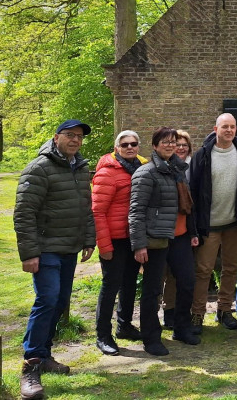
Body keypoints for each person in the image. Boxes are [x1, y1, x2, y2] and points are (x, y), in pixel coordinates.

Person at [14, 120, 95, 400]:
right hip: (45, 248)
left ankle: (45, 356)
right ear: (56, 137)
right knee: (47, 299)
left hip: (69, 248)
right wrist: (29, 253)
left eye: (79, 137)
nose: (75, 140)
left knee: (59, 302)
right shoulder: (39, 168)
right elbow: (24, 213)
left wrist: (88, 238)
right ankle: (31, 365)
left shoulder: (80, 168)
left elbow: (86, 208)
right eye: (70, 135)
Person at [128, 127, 199, 356]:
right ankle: (151, 337)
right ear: (155, 145)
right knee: (153, 290)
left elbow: (186, 205)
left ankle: (182, 328)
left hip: (180, 237)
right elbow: (136, 211)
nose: (171, 145)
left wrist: (193, 231)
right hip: (155, 239)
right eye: (166, 142)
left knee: (187, 282)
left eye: (174, 142)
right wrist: (139, 244)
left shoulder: (178, 170)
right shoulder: (146, 173)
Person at [189, 113, 237, 332]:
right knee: (203, 270)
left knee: (231, 268)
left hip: (235, 223)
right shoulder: (203, 155)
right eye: (224, 126)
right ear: (215, 129)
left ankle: (224, 310)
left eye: (232, 127)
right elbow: (194, 191)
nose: (229, 130)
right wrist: (196, 224)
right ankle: (197, 314)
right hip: (209, 224)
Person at [92, 130, 146, 355]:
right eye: (125, 145)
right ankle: (103, 335)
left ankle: (124, 325)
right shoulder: (107, 172)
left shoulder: (141, 168)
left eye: (134, 144)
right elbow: (97, 211)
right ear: (117, 148)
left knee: (129, 283)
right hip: (113, 239)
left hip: (132, 237)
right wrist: (104, 246)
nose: (130, 147)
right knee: (110, 285)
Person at [162, 130, 194, 330]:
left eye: (184, 145)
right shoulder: (163, 168)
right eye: (177, 144)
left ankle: (182, 317)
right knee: (164, 276)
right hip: (164, 230)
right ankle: (168, 312)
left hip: (185, 230)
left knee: (184, 276)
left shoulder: (193, 167)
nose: (180, 148)